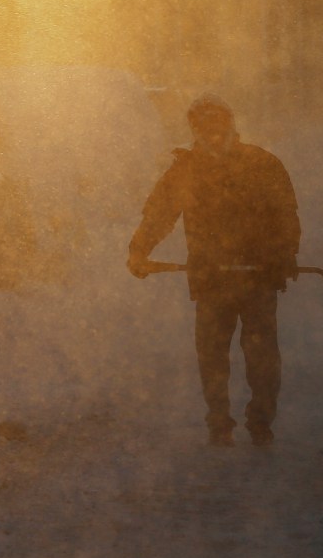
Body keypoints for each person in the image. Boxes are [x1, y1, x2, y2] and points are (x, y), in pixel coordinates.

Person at [128, 94, 301, 447]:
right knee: (212, 357)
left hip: (258, 279)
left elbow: (287, 216)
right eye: (205, 128)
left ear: (231, 126)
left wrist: (284, 254)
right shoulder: (185, 171)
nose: (213, 135)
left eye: (219, 127)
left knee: (262, 359)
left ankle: (261, 421)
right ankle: (219, 421)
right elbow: (159, 215)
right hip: (211, 281)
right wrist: (139, 249)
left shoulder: (262, 164)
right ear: (195, 131)